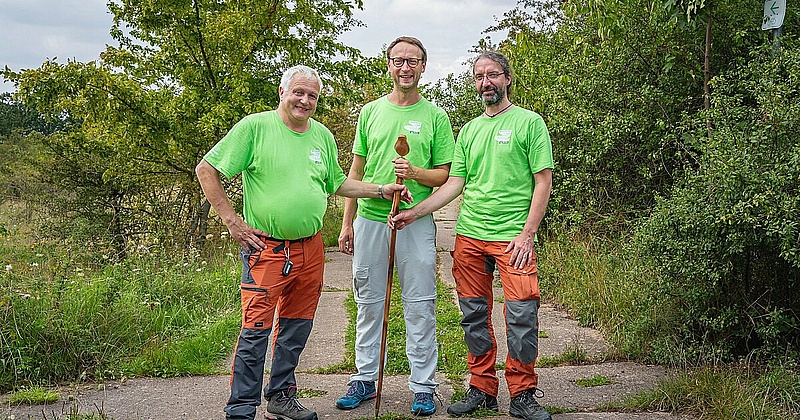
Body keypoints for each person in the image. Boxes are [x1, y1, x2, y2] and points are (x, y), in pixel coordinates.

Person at [195, 65, 411, 420]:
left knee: (296, 327)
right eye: (298, 92)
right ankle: (241, 409)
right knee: (255, 331)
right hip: (265, 248)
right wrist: (231, 221)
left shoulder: (322, 136)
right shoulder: (255, 127)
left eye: (312, 95)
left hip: (310, 249)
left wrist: (380, 190)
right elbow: (208, 169)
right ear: (282, 92)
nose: (305, 100)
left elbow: (337, 183)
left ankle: (281, 398)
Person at [391, 50, 554, 420]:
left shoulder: (530, 123)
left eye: (493, 75)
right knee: (473, 315)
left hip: (514, 238)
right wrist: (412, 213)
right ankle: (482, 387)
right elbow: (455, 184)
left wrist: (528, 234)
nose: (486, 82)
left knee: (522, 315)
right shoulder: (469, 130)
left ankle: (524, 393)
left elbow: (542, 181)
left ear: (507, 78)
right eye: (479, 76)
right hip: (470, 236)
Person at [335, 36, 455, 416]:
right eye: (399, 60)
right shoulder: (370, 112)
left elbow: (445, 176)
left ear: (423, 67)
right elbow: (355, 172)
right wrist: (347, 222)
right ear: (388, 64)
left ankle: (423, 385)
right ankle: (365, 378)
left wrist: (414, 171)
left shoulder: (436, 116)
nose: (406, 67)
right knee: (369, 303)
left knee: (420, 304)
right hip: (372, 219)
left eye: (413, 61)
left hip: (414, 221)